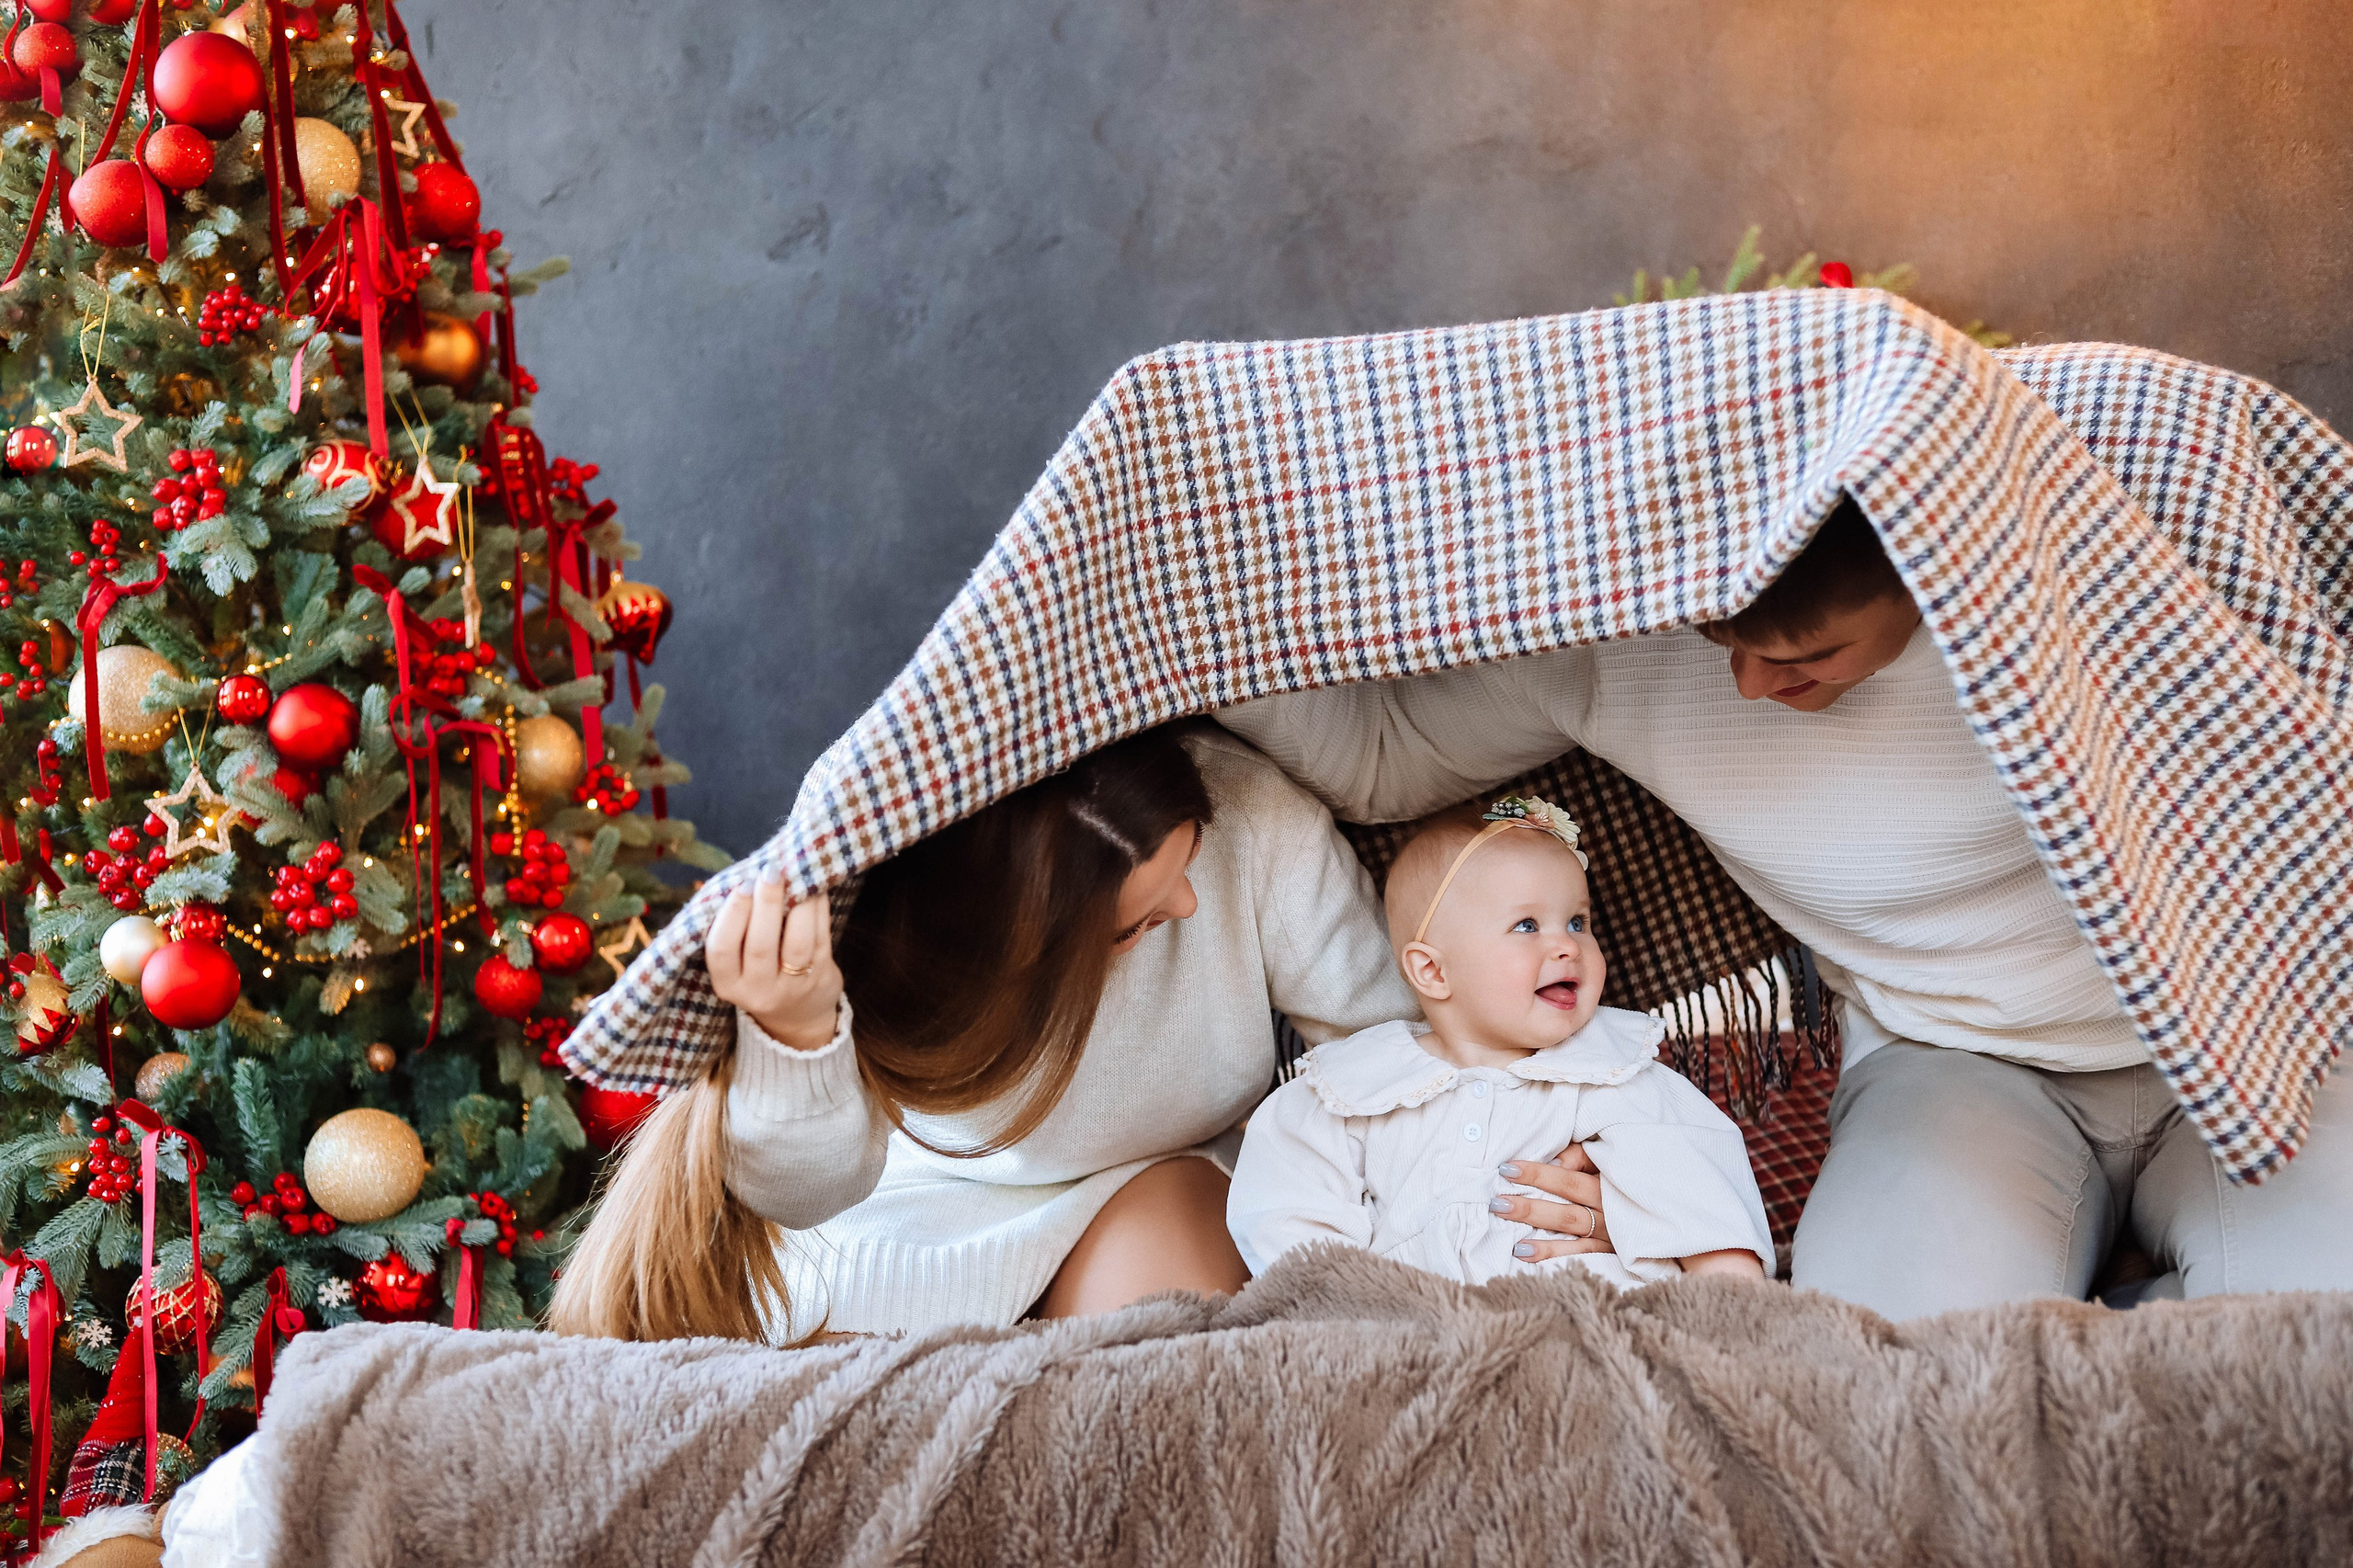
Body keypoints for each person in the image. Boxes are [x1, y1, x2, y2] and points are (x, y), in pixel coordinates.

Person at [1220, 495, 2353, 1320]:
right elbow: (1377, 753)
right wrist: (1182, 609)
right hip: (1954, 1070)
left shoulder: (2086, 581)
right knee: (1875, 1383)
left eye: (1802, 654)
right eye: (1726, 641)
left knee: (2317, 1357)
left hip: (2251, 1036)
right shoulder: (1631, 633)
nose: (1751, 686)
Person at [550, 723, 1624, 1343]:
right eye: (1143, 920)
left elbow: (1392, 1042)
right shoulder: (904, 922)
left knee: (1164, 1397)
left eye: (1185, 873)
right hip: (916, 1223)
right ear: (1026, 944)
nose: (1190, 914)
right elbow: (802, 1186)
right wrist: (793, 1035)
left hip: (1158, 1186)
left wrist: (1515, 1166)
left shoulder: (1251, 822)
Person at [1228, 797, 1770, 1289]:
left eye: (1578, 921)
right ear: (1433, 971)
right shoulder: (1360, 1087)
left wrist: (1736, 1307)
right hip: (1429, 1337)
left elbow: (1700, 1197)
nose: (1567, 945)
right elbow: (1290, 1209)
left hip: (1597, 1314)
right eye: (1527, 926)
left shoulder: (1610, 1071)